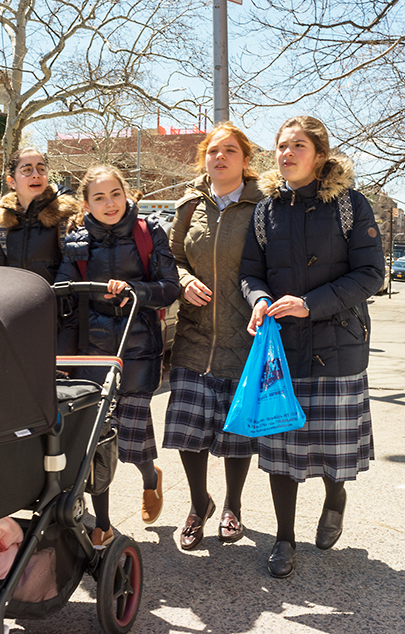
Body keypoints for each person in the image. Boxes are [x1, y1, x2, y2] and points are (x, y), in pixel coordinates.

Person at [239, 116, 385, 578]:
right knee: (281, 451)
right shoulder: (265, 212)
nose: (286, 154)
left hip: (338, 345)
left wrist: (309, 304)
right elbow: (249, 272)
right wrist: (259, 299)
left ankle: (335, 498)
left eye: (297, 146)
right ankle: (284, 539)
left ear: (319, 154)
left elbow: (371, 275)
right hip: (281, 349)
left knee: (335, 453)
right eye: (281, 146)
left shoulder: (351, 205)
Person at [56, 165, 179, 547]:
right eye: (99, 197)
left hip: (138, 344)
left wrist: (136, 291)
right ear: (85, 202)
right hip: (93, 348)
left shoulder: (149, 232)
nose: (109, 204)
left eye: (115, 194)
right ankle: (104, 523)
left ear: (126, 194)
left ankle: (150, 478)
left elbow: (169, 286)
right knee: (95, 437)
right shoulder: (75, 241)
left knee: (131, 436)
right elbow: (63, 293)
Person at [162, 121, 263, 551]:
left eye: (230, 151)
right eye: (213, 151)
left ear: (245, 160)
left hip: (245, 336)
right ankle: (198, 502)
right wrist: (183, 280)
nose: (219, 157)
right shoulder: (189, 207)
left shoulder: (264, 207)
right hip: (194, 335)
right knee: (190, 429)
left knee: (237, 431)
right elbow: (170, 257)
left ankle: (233, 505)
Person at [0, 147, 82, 283]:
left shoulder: (69, 217)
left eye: (41, 169)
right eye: (27, 170)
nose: (36, 175)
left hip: (56, 302)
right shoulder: (2, 224)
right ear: (11, 181)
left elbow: (75, 273)